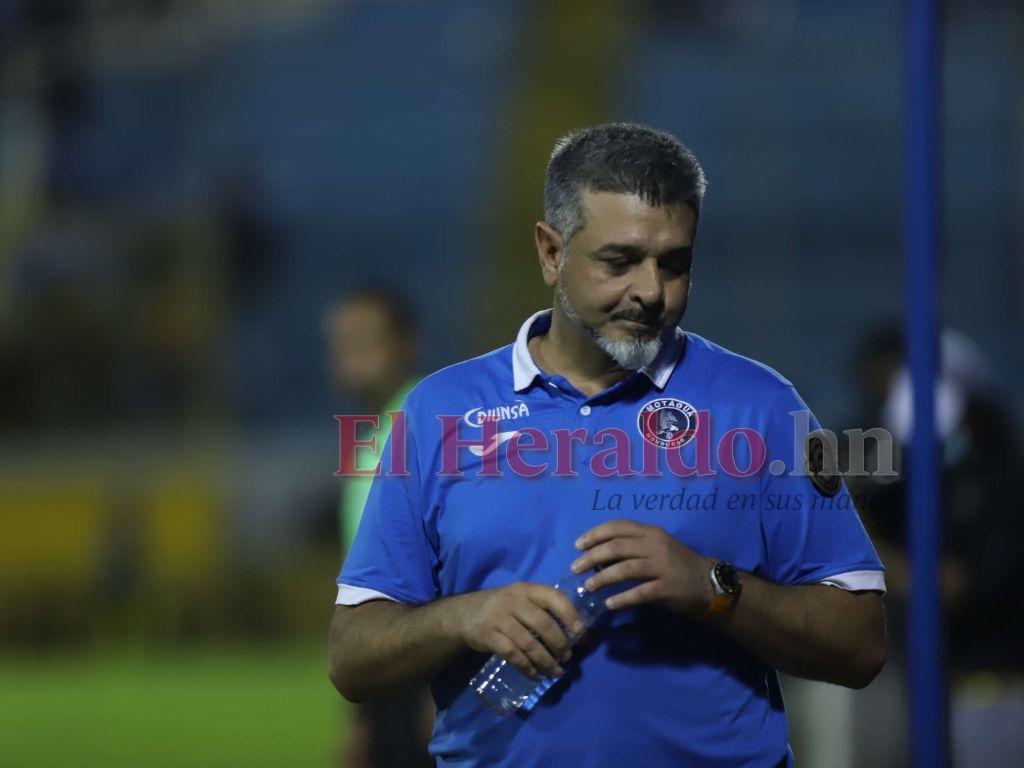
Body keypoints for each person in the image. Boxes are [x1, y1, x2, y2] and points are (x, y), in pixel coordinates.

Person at [328, 122, 886, 767]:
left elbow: (861, 643)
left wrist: (712, 586)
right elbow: (351, 657)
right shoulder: (438, 414)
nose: (650, 291)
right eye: (619, 262)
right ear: (550, 252)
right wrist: (462, 618)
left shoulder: (763, 407)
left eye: (675, 264)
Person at [324, 287, 433, 768]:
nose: (352, 356)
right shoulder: (371, 438)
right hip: (388, 675)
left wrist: (444, 687)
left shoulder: (430, 420)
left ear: (409, 344)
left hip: (426, 675)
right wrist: (364, 717)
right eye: (343, 343)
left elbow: (459, 558)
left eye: (367, 340)